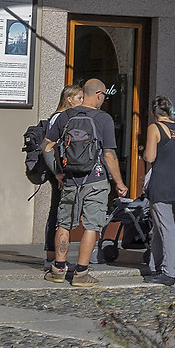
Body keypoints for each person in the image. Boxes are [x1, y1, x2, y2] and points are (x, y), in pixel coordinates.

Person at [51, 79, 124, 285]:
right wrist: (119, 182)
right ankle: (81, 273)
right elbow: (109, 154)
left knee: (64, 223)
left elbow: (48, 145)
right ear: (99, 94)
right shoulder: (104, 119)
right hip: (96, 179)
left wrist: (59, 170)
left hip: (71, 178)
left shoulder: (65, 116)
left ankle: (58, 269)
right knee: (92, 225)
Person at [138, 96, 175, 287]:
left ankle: (169, 272)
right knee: (161, 228)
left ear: (154, 113)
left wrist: (144, 152)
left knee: (166, 229)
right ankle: (156, 265)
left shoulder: (155, 128)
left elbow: (150, 156)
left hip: (162, 183)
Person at [38, 84, 86, 279]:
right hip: (59, 172)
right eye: (79, 98)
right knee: (57, 213)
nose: (82, 101)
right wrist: (57, 173)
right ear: (69, 99)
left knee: (60, 212)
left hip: (63, 171)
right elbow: (48, 146)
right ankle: (51, 256)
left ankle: (54, 256)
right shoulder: (60, 117)